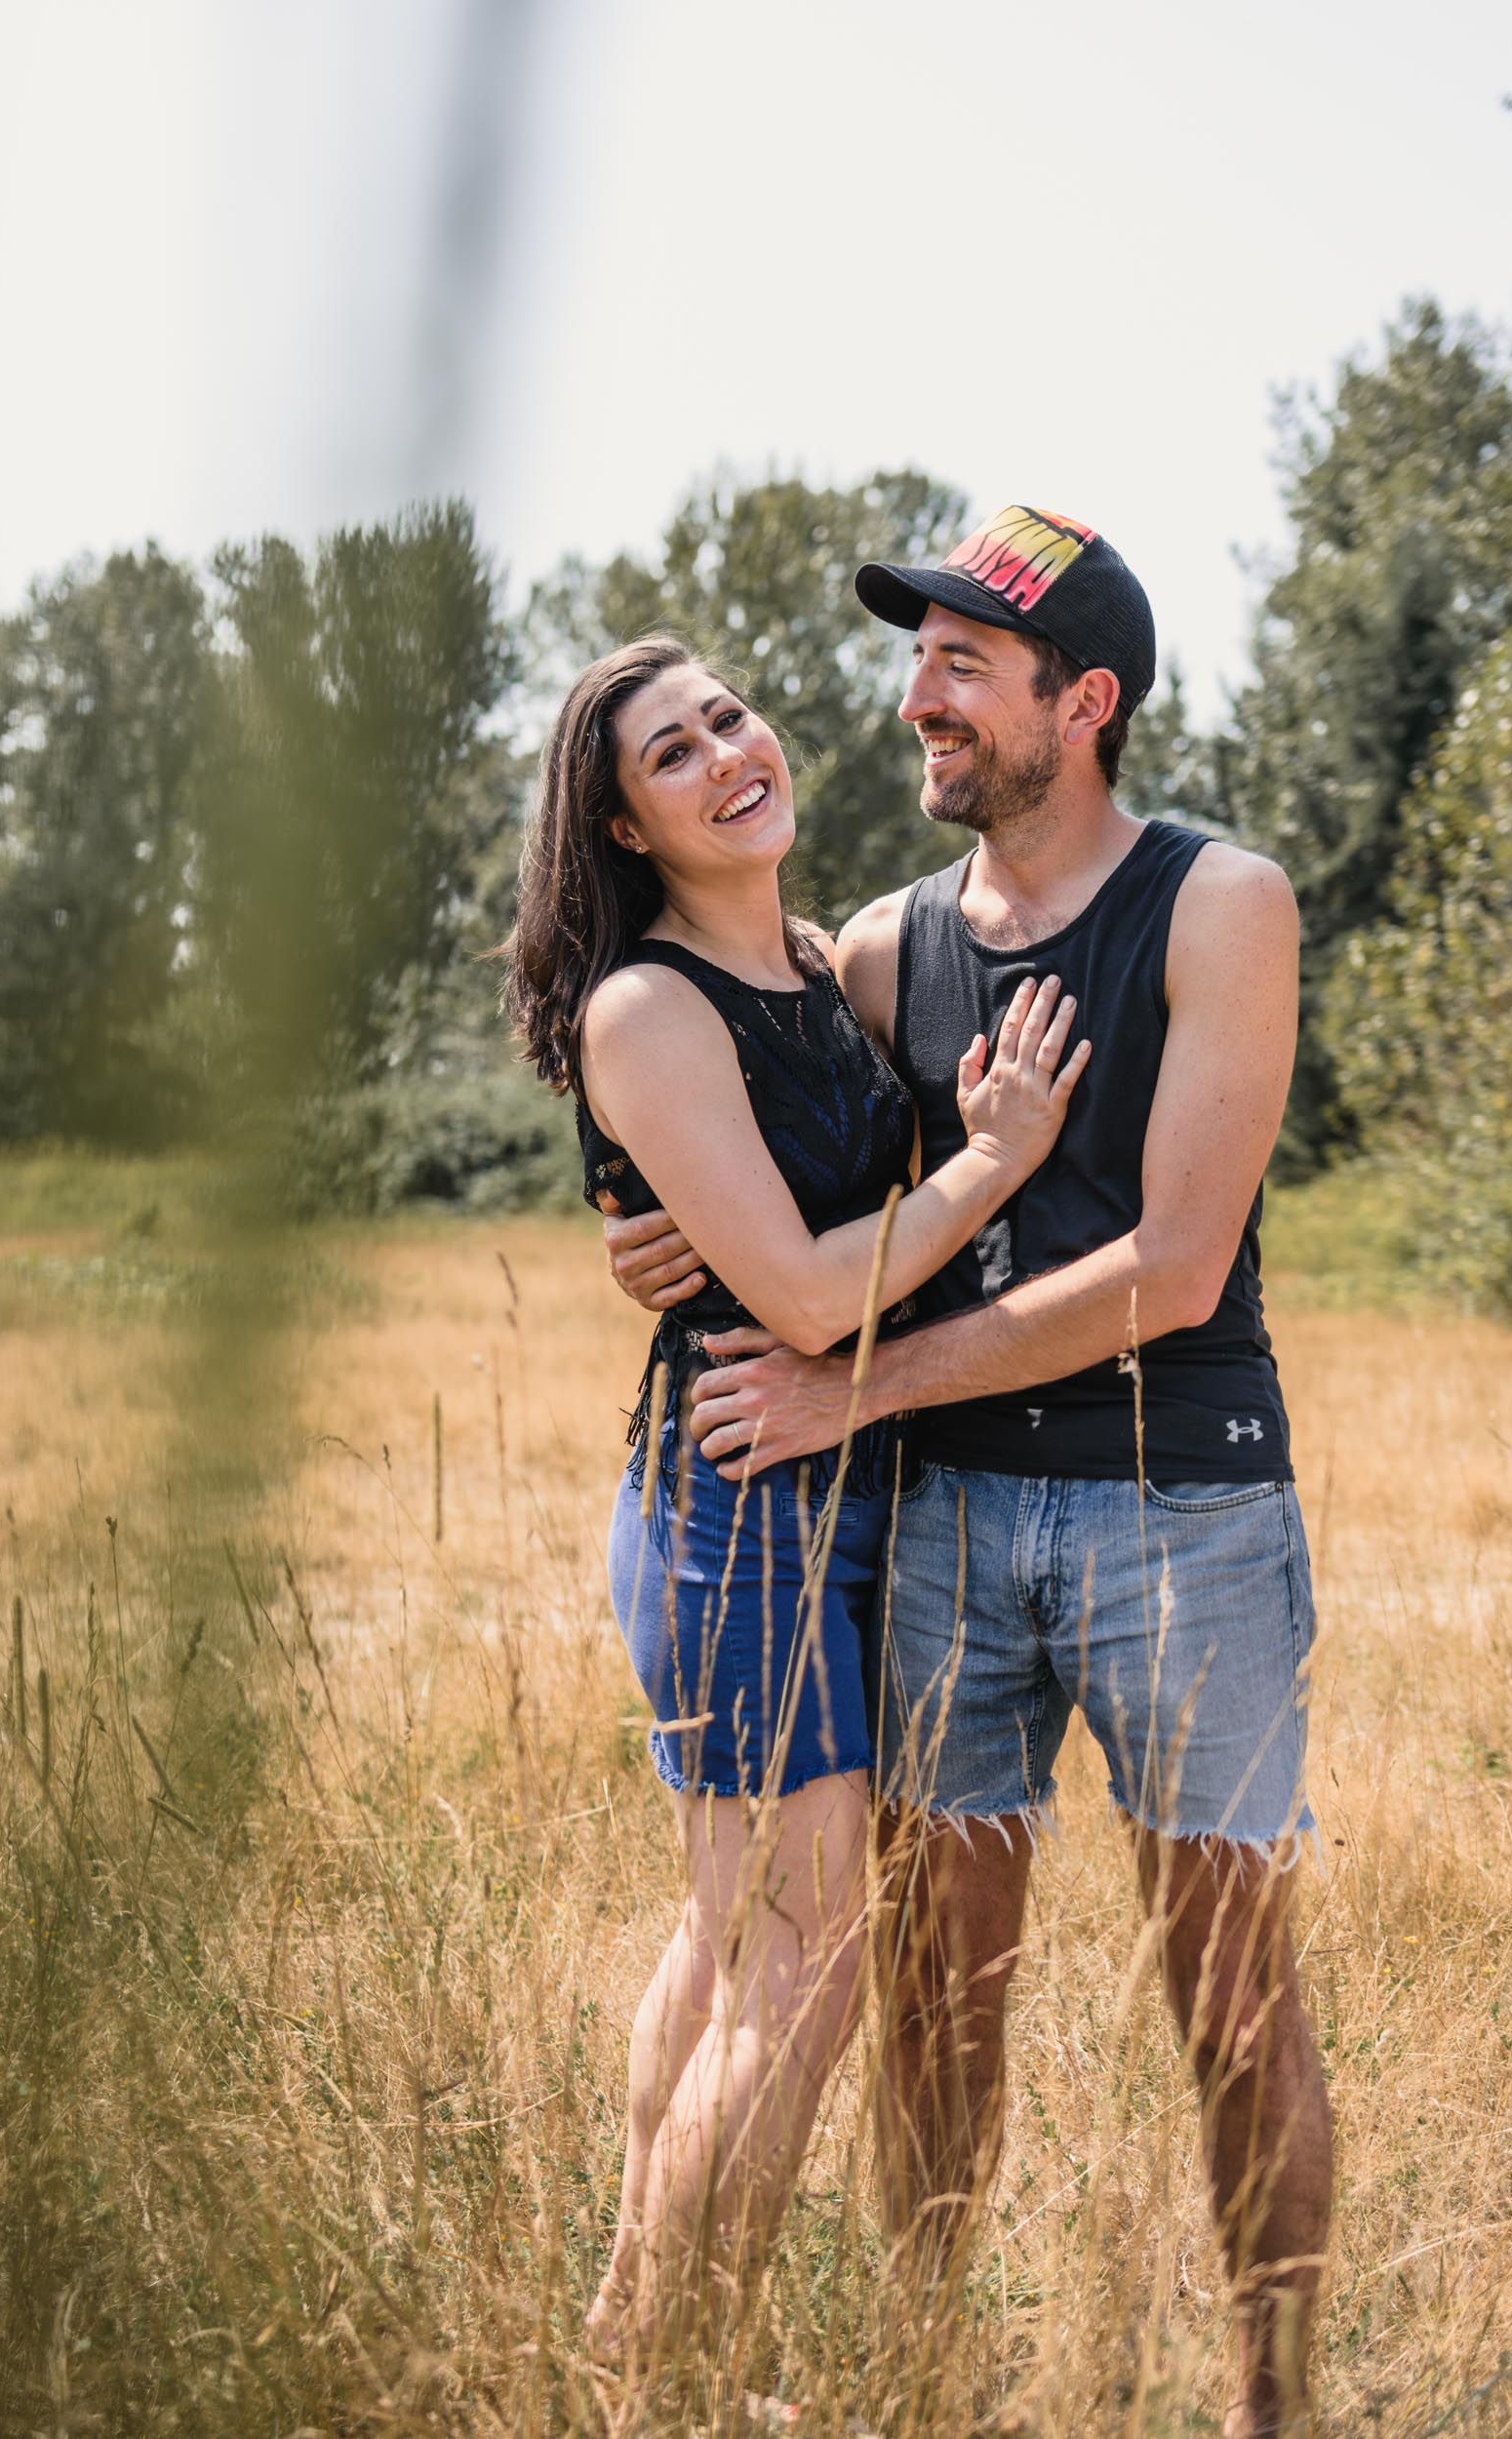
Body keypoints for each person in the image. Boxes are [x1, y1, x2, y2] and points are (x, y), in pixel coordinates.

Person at [602, 511, 1333, 2438]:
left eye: (960, 665)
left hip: (1183, 1511)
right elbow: (749, 1123)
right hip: (938, 1531)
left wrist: (859, 1386)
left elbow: (1176, 1266)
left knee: (1232, 2001)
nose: (912, 696)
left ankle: (1277, 2403)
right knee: (928, 2003)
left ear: (1079, 704)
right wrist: (645, 1227)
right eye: (914, 657)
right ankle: (914, 2385)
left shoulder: (1215, 900)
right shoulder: (880, 948)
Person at [499, 633, 1090, 2354]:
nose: (725, 757)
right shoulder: (646, 1005)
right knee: (808, 1956)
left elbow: (791, 1231)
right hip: (736, 1493)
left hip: (845, 1493)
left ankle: (625, 2335)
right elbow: (806, 1296)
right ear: (620, 829)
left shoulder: (823, 968)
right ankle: (684, 2367)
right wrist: (993, 1159)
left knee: (732, 1933)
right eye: (669, 758)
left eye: (727, 721)